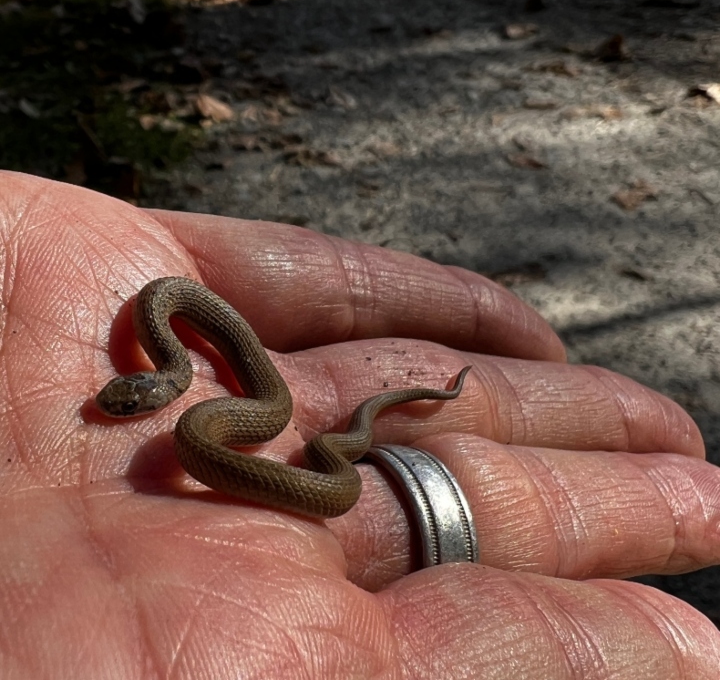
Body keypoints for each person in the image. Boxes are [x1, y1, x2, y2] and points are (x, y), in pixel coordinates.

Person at [1, 169, 718, 679]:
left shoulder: (190, 393)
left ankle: (354, 439)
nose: (115, 405)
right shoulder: (174, 364)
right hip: (259, 424)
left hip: (274, 431)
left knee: (318, 452)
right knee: (309, 446)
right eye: (123, 402)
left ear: (156, 387)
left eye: (124, 400)